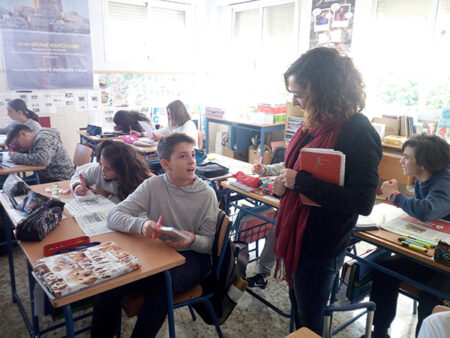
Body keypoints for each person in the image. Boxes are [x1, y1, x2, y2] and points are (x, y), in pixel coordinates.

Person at [271, 47, 382, 335]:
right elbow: (293, 173)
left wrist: (301, 182)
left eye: (299, 93)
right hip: (297, 236)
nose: (294, 100)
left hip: (321, 244)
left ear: (324, 90)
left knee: (310, 321)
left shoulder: (358, 131)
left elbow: (362, 201)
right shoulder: (312, 125)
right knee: (299, 311)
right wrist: (281, 186)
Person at [91, 133, 218, 337]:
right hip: (158, 253)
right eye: (183, 156)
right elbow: (113, 216)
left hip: (192, 257)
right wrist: (141, 224)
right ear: (165, 164)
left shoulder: (206, 194)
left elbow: (209, 244)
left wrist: (192, 239)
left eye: (192, 154)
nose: (192, 161)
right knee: (109, 283)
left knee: (160, 287)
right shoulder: (153, 185)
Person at [370, 134, 450, 338]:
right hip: (431, 254)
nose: (401, 160)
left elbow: (426, 211)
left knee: (430, 296)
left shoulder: (445, 181)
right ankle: (379, 332)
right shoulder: (425, 179)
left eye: (406, 157)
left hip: (445, 264)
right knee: (384, 269)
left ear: (423, 163)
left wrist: (395, 196)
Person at [71, 140, 151, 203]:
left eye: (108, 169)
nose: (102, 170)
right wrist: (77, 185)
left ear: (122, 169)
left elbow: (131, 206)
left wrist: (108, 196)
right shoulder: (99, 170)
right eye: (101, 164)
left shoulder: (137, 182)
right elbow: (78, 176)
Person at [6, 124, 74, 183]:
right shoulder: (35, 140)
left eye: (17, 144)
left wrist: (15, 156)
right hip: (46, 177)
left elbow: (41, 160)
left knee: (18, 190)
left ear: (23, 133)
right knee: (15, 186)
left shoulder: (44, 138)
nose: (19, 148)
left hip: (60, 179)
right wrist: (16, 153)